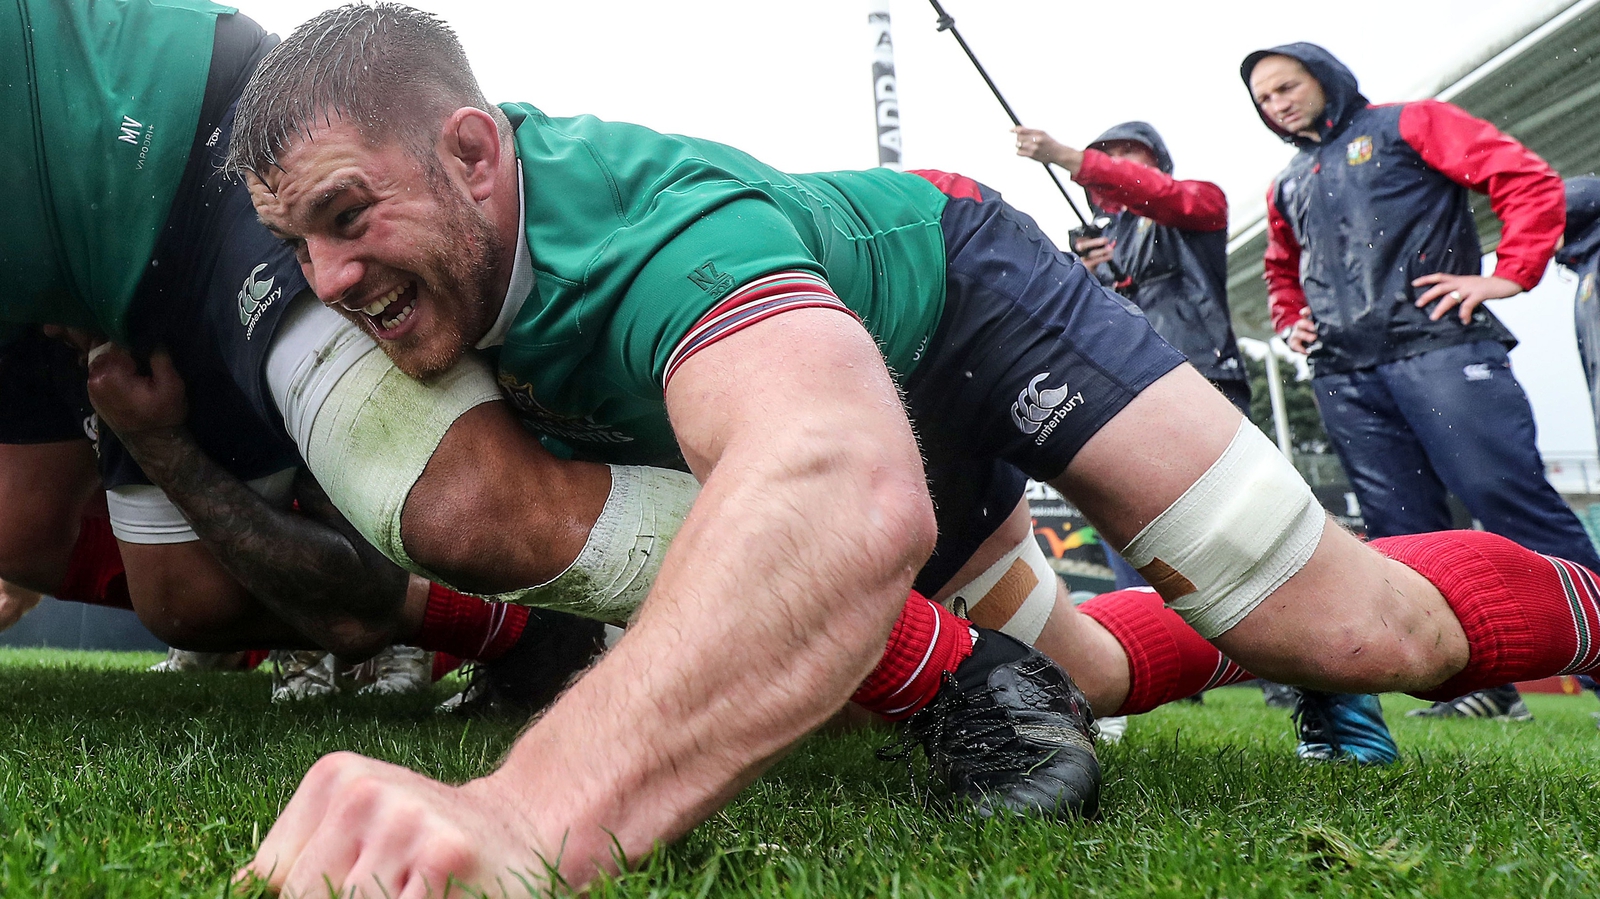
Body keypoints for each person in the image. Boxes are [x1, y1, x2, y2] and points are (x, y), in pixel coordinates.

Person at [227, 6, 1600, 893]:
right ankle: (1233, 634)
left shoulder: (641, 227)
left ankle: (1582, 606)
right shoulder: (443, 255)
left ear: (476, 152)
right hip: (836, 384)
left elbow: (841, 493)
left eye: (349, 217)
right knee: (1098, 670)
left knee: (1362, 630)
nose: (328, 278)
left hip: (962, 299)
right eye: (298, 243)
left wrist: (525, 813)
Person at [0, 0, 609, 706]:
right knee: (164, 596)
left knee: (451, 500)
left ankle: (538, 618)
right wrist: (151, 438)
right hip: (80, 286)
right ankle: (391, 604)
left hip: (188, 125)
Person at [1247, 43, 1600, 727]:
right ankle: (1483, 686)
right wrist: (1293, 322)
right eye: (1264, 100)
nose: (1278, 103)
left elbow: (1524, 179)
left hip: (1442, 347)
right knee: (1405, 537)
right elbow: (1281, 266)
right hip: (1346, 373)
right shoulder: (1287, 180)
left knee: (1509, 501)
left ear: (1323, 78)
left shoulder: (1411, 122)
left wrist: (1507, 273)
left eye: (1288, 86)